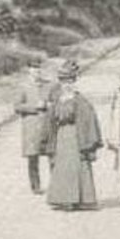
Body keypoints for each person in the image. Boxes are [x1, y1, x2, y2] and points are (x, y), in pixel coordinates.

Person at [42, 61, 103, 210]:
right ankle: (64, 198)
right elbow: (50, 119)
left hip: (75, 137)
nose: (66, 85)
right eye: (64, 82)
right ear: (60, 83)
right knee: (61, 166)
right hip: (61, 136)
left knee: (76, 166)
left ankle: (81, 198)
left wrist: (86, 140)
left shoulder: (80, 100)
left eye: (70, 81)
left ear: (74, 82)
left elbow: (88, 119)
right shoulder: (57, 100)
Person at [14, 58, 52, 194]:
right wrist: (35, 106)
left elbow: (54, 101)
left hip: (47, 125)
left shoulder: (48, 85)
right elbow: (17, 107)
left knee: (52, 154)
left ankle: (56, 184)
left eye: (39, 68)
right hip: (31, 127)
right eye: (34, 68)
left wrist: (49, 105)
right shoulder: (23, 86)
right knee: (33, 157)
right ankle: (35, 186)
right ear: (29, 70)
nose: (37, 71)